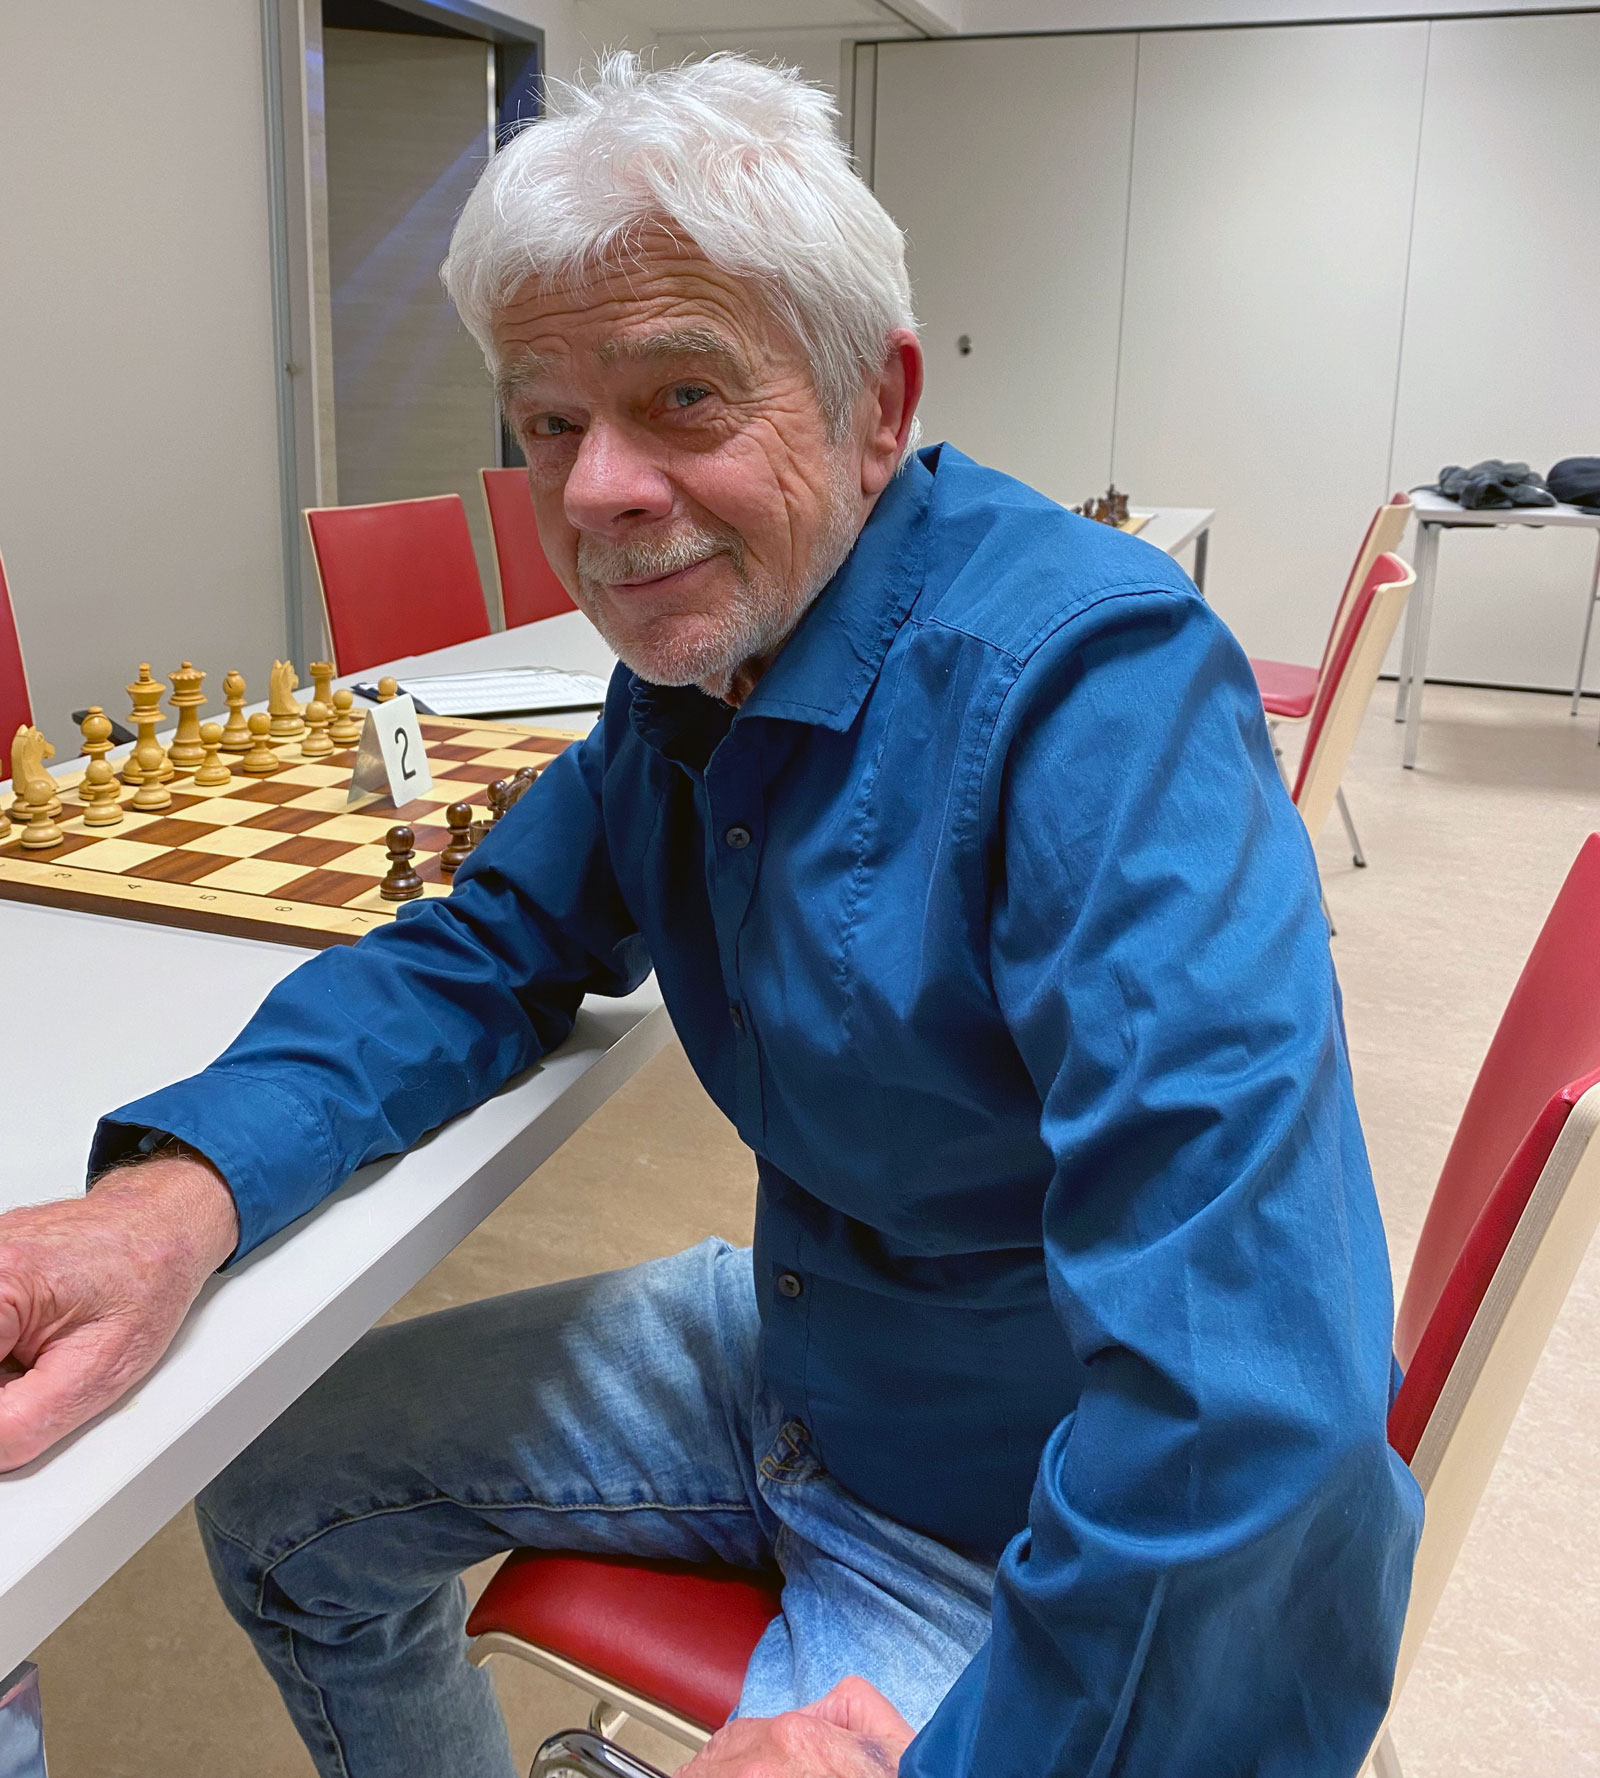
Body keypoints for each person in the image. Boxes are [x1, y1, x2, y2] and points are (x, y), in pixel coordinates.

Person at [0, 53, 1421, 1778]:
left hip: (1029, 1519)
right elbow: (486, 948)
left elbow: (1246, 1410)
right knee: (277, 1495)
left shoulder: (1089, 692)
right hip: (810, 1338)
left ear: (878, 402)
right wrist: (173, 1200)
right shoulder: (700, 664)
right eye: (548, 421)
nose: (595, 488)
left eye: (683, 396)